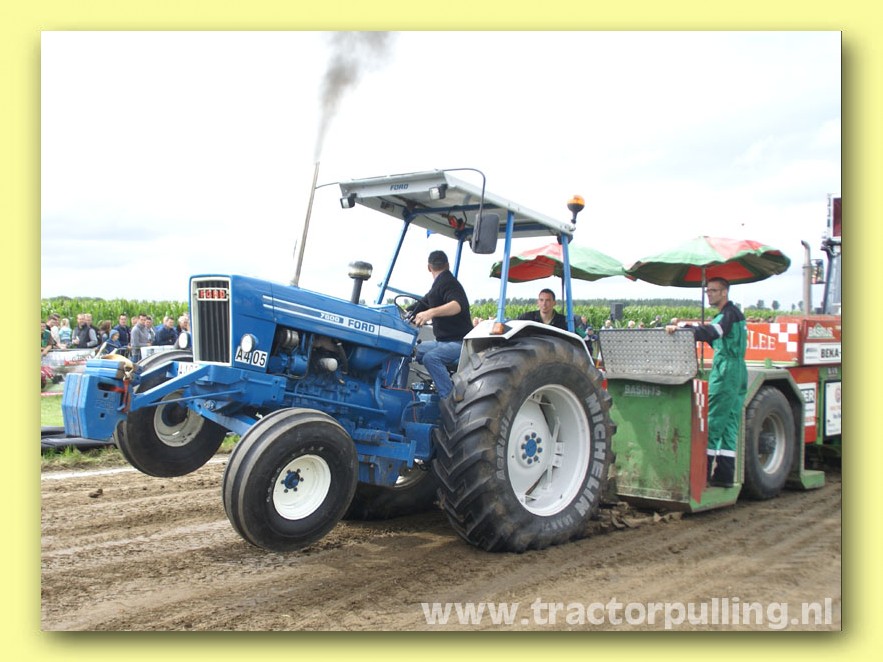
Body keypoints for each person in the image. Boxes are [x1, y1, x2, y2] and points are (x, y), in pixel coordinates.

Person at [666, 277, 747, 486]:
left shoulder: (727, 315)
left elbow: (713, 332)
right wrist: (693, 328)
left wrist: (685, 330)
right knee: (729, 423)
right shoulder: (735, 314)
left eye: (713, 290)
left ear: (724, 292)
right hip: (738, 370)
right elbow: (714, 336)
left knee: (713, 421)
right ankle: (724, 475)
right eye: (707, 291)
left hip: (726, 371)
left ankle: (702, 474)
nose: (709, 294)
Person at [411, 250, 473, 400]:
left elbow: (457, 305)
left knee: (431, 358)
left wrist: (430, 313)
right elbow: (417, 307)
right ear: (448, 265)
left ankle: (449, 399)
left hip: (460, 343)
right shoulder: (436, 288)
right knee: (408, 350)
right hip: (442, 342)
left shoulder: (449, 283)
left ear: (429, 267)